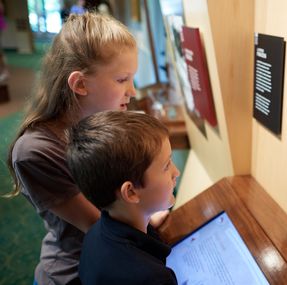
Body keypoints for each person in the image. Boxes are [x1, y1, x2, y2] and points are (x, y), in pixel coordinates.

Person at [6, 13, 168, 284]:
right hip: (78, 270)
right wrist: (149, 215)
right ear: (80, 84)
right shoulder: (34, 151)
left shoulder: (104, 118)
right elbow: (99, 226)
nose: (132, 91)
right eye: (121, 80)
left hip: (125, 251)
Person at [66, 110, 180, 285]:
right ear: (131, 192)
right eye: (166, 166)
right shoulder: (152, 278)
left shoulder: (96, 232)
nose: (176, 172)